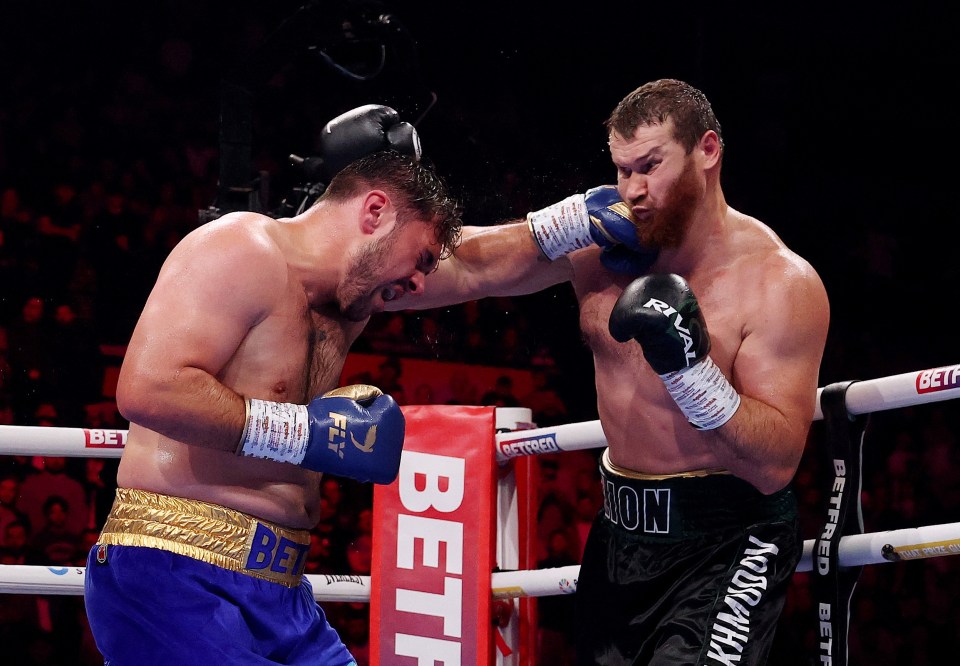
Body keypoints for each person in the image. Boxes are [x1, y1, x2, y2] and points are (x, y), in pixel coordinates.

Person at [388, 78, 829, 664]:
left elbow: (775, 466)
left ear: (708, 151)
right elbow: (453, 272)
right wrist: (554, 227)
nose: (633, 190)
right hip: (619, 535)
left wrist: (690, 373)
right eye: (622, 170)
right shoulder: (601, 246)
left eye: (650, 166)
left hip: (727, 541)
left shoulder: (779, 284)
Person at [83, 105, 463, 665]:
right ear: (376, 211)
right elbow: (147, 388)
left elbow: (482, 265)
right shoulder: (241, 248)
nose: (418, 283)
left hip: (283, 595)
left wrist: (572, 226)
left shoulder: (346, 308)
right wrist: (302, 435)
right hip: (173, 573)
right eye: (422, 258)